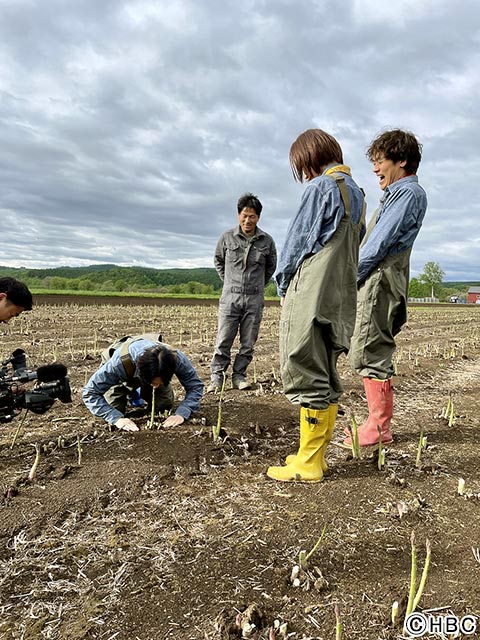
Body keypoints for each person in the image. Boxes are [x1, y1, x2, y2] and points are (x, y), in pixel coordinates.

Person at [267, 129, 366, 483]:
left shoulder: (322, 187)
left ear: (310, 158)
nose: (303, 175)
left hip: (313, 289)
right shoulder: (357, 193)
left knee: (303, 360)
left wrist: (282, 284)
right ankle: (316, 456)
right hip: (339, 294)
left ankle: (307, 462)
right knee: (325, 368)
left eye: (301, 166)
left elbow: (298, 240)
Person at [344, 129, 427, 448]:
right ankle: (376, 423)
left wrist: (346, 282)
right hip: (380, 279)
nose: (375, 168)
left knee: (369, 349)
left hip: (380, 280)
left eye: (380, 161)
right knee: (368, 346)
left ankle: (378, 427)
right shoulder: (397, 195)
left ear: (401, 160)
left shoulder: (407, 194)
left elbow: (378, 245)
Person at [207, 193, 277, 392]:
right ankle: (216, 378)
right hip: (230, 297)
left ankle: (239, 376)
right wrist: (229, 282)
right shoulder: (227, 237)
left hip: (254, 297)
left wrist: (256, 285)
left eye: (252, 216)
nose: (248, 220)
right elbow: (218, 261)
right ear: (238, 215)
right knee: (223, 340)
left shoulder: (267, 241)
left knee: (248, 343)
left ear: (258, 217)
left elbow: (270, 268)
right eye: (244, 215)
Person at [83, 333, 204, 431]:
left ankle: (139, 394)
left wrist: (182, 413)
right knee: (112, 411)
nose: (155, 386)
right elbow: (90, 393)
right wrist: (115, 418)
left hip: (145, 374)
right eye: (153, 382)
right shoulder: (117, 364)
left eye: (160, 382)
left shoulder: (176, 359)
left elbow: (195, 386)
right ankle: (131, 393)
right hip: (121, 376)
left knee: (164, 405)